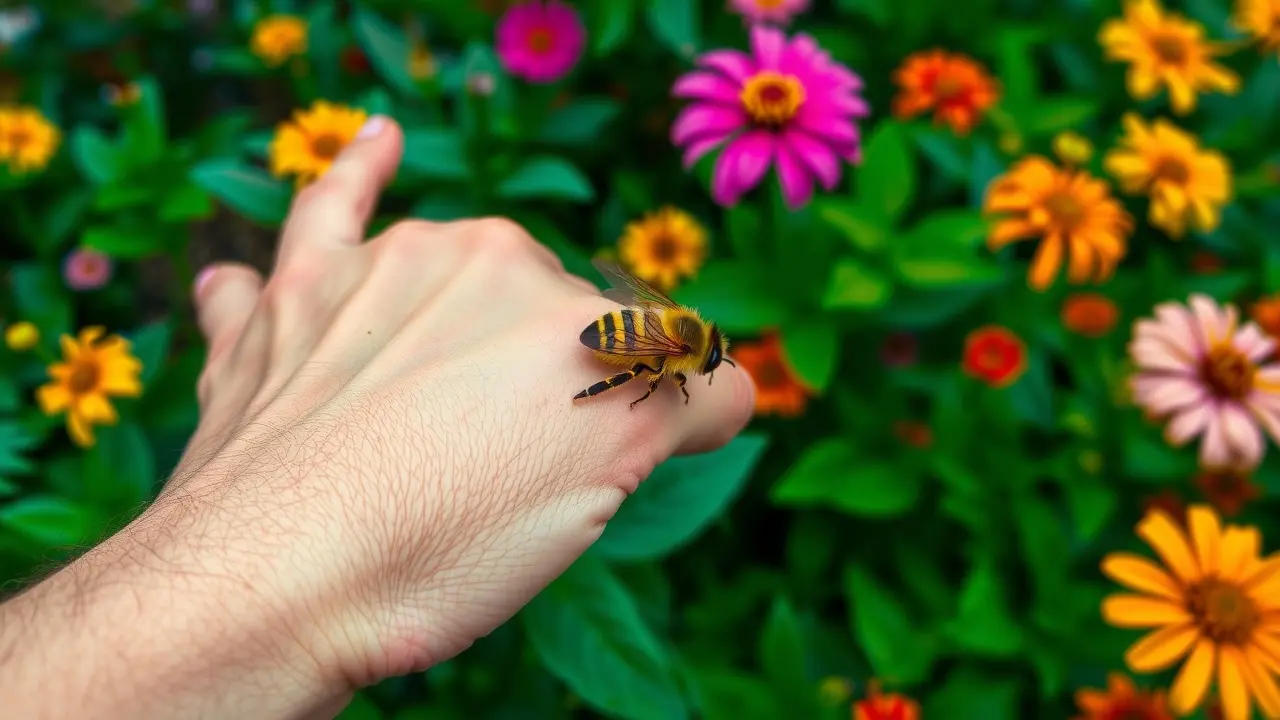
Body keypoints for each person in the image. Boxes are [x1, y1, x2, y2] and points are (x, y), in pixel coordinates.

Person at [0, 116, 755, 718]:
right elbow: (654, 366)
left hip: (612, 331)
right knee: (638, 381)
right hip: (605, 347)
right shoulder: (674, 357)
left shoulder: (665, 315)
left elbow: (625, 297)